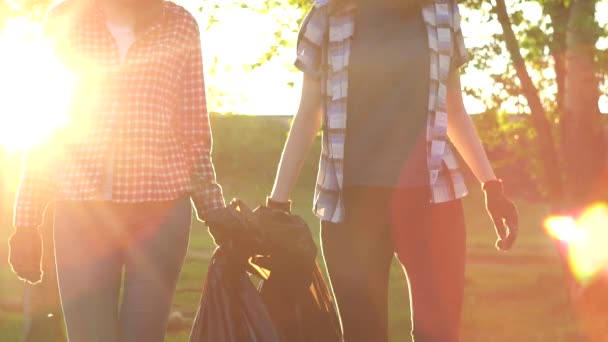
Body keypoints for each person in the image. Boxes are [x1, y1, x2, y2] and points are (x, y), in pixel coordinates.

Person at [266, 0, 519, 341]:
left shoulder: (444, 11)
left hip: (434, 206)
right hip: (352, 211)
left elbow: (453, 107)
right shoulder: (327, 15)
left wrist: (491, 186)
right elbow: (310, 112)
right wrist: (277, 203)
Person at [7, 0, 240, 341]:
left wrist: (214, 211)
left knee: (143, 336)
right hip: (81, 210)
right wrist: (26, 221)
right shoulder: (64, 19)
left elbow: (192, 132)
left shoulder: (179, 25)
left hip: (159, 211)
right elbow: (47, 124)